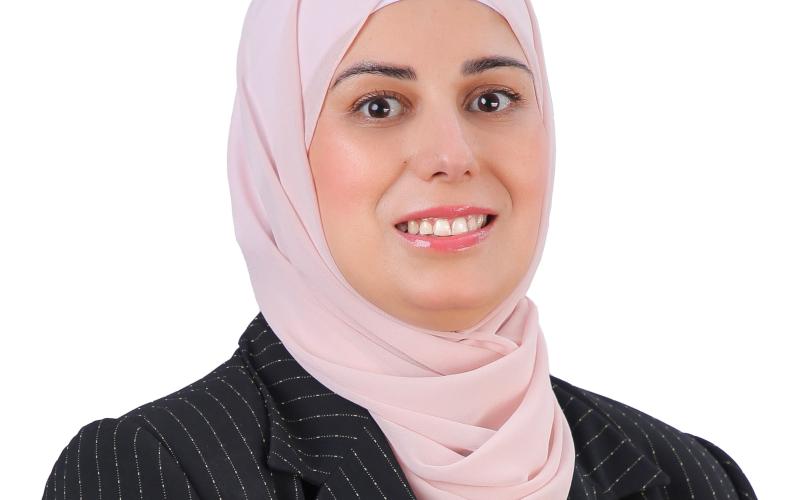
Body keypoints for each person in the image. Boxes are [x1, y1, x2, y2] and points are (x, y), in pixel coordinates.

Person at [41, 0, 758, 498]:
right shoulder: (158, 471)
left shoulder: (691, 478)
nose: (452, 155)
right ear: (281, 156)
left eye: (491, 99)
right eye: (378, 105)